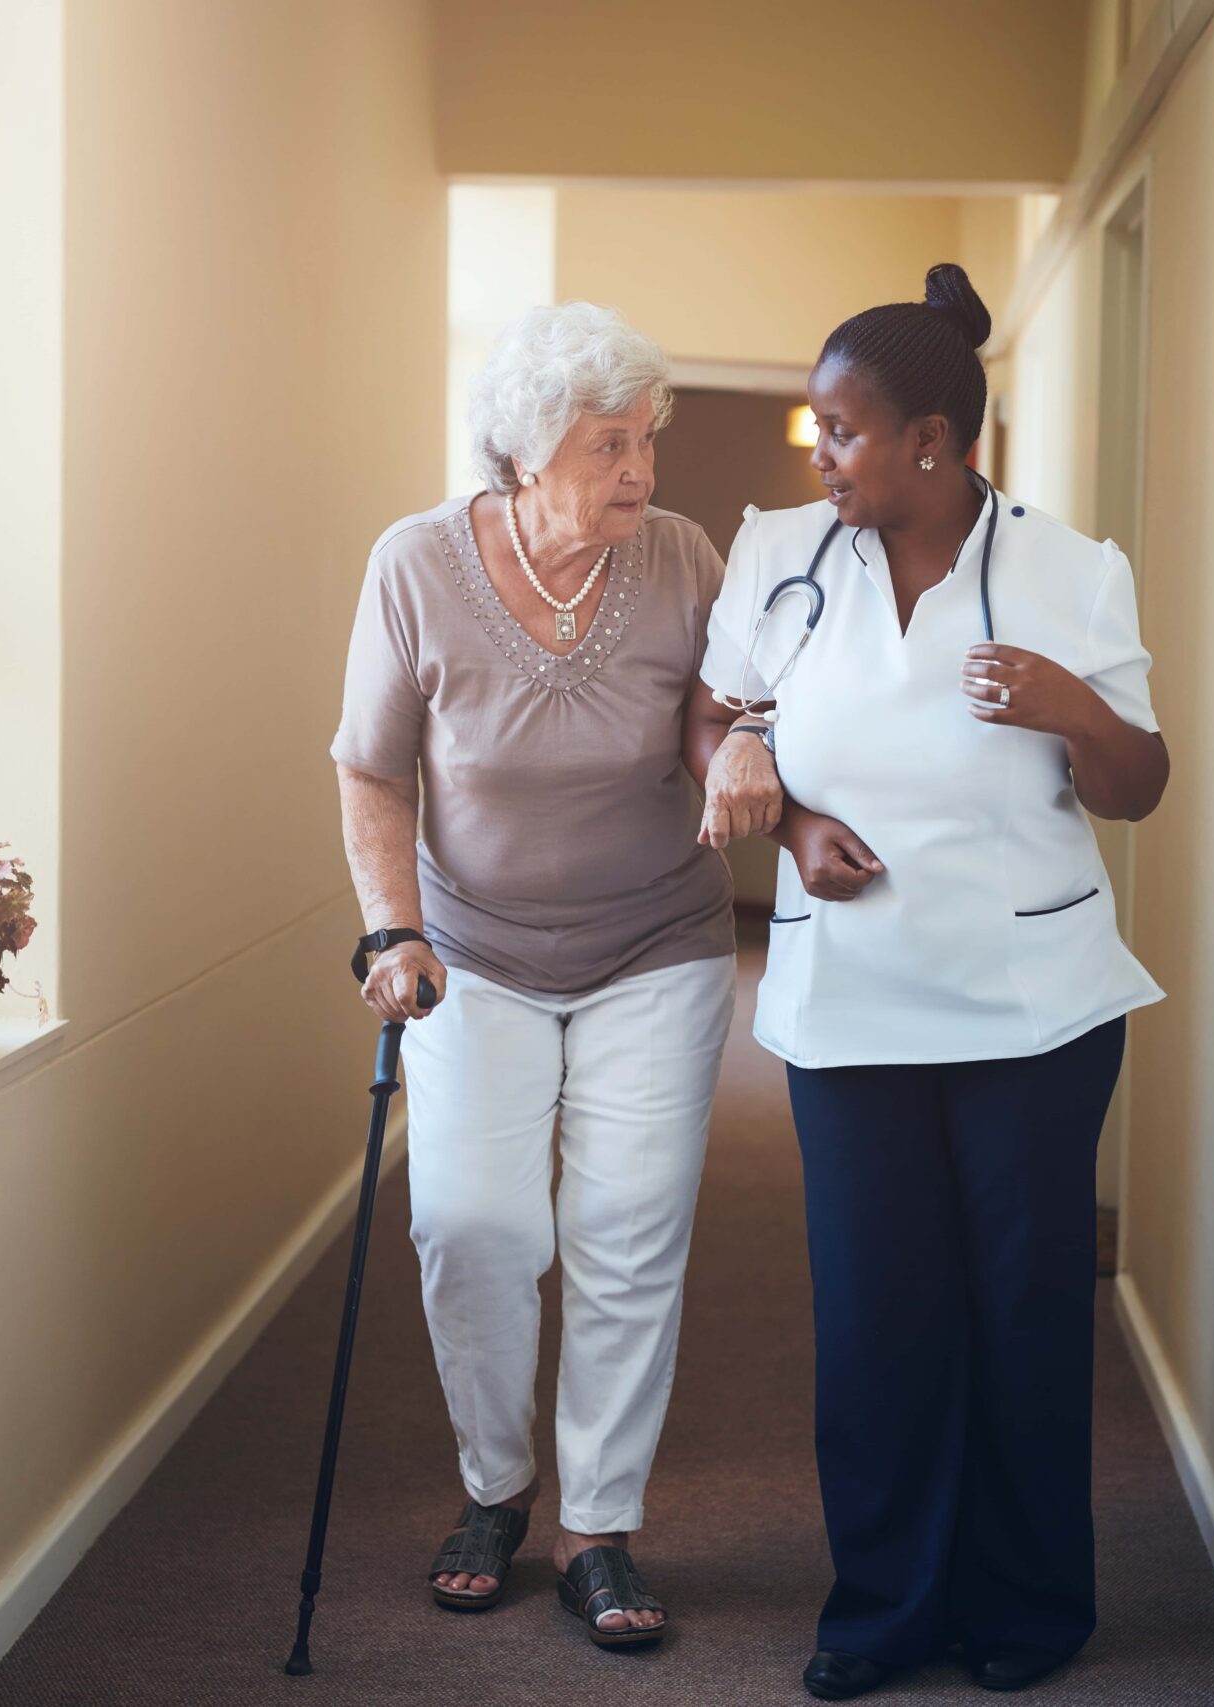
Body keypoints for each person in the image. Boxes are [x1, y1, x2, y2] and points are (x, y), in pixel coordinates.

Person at [688, 264, 1170, 1697]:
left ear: (934, 443)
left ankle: (1026, 1609)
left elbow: (1138, 784)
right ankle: (885, 1609)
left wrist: (1072, 705)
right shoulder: (779, 549)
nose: (821, 455)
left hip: (1035, 1005)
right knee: (880, 1321)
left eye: (841, 431)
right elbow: (718, 714)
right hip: (850, 1003)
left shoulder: (1070, 568)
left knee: (1023, 1310)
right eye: (818, 430)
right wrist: (770, 790)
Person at [332, 301, 735, 1649]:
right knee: (472, 1220)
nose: (644, 472)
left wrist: (738, 746)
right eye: (610, 444)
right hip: (475, 951)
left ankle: (598, 1527)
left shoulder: (682, 559)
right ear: (522, 450)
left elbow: (719, 708)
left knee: (629, 1233)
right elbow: (374, 768)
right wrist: (394, 928)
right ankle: (495, 1488)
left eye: (647, 440)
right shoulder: (416, 565)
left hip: (656, 943)